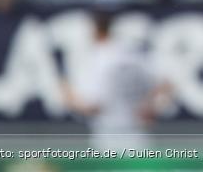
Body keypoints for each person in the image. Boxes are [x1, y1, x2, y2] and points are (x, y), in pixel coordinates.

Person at [62, 10, 172, 150]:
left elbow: (92, 106)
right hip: (139, 137)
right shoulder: (132, 51)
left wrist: (68, 97)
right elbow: (166, 84)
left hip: (109, 138)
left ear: (94, 30)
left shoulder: (97, 59)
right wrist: (152, 107)